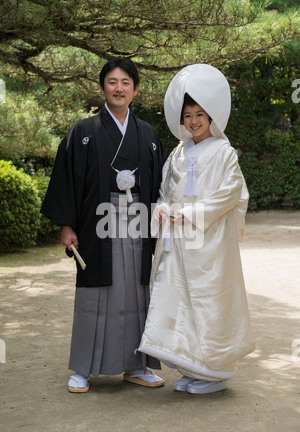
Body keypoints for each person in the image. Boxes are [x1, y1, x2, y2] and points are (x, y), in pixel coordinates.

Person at [41, 58, 166, 392]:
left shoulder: (148, 135)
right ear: (102, 89)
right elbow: (67, 181)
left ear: (135, 90)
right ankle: (83, 368)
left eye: (126, 82)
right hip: (97, 223)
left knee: (137, 295)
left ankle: (136, 366)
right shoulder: (83, 132)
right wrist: (67, 225)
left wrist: (162, 225)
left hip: (139, 223)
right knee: (94, 295)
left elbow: (160, 187)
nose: (119, 88)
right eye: (112, 82)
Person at [139, 64, 255, 394]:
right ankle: (192, 367)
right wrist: (162, 209)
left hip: (209, 243)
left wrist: (189, 214)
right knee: (180, 301)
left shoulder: (224, 152)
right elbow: (166, 191)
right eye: (188, 115)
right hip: (178, 242)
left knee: (209, 300)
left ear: (212, 115)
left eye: (200, 114)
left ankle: (214, 372)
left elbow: (230, 192)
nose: (193, 121)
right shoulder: (177, 152)